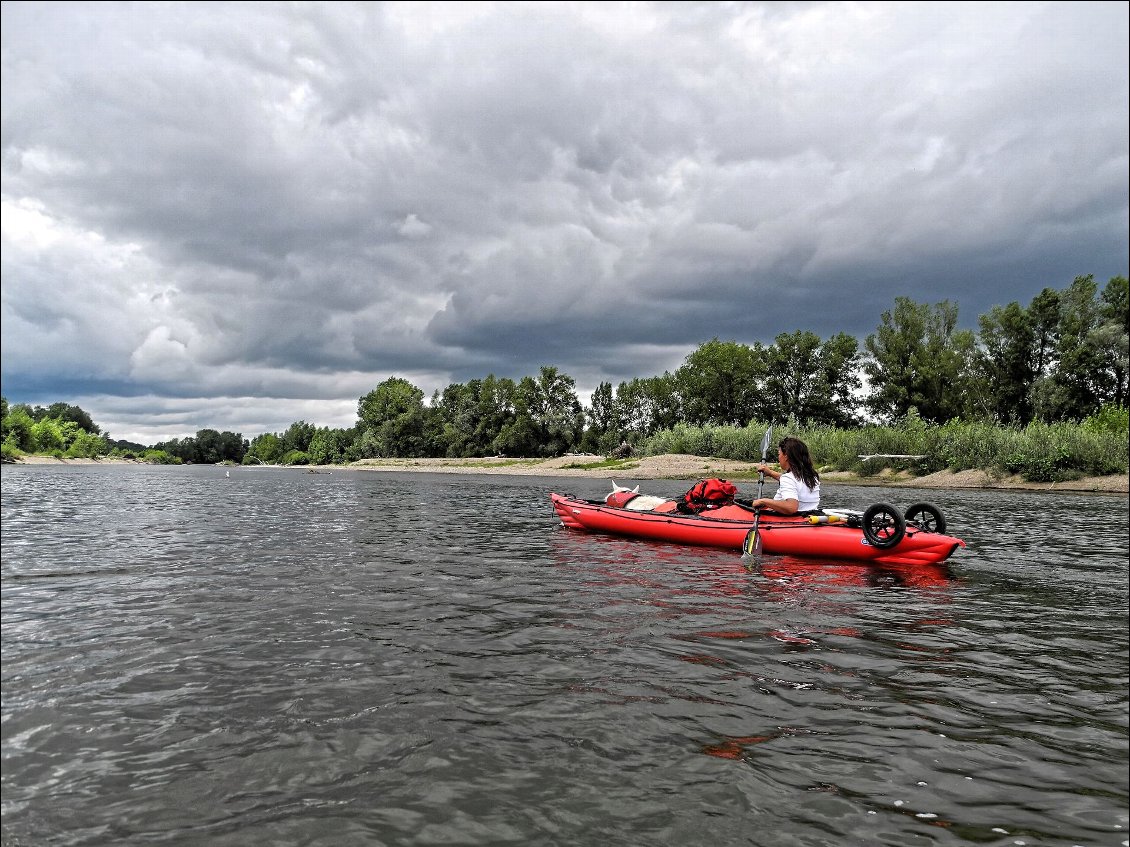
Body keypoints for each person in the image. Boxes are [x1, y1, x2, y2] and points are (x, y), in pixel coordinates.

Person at [750, 436, 820, 515]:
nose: (778, 458)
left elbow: (791, 507)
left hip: (790, 521)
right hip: (810, 517)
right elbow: (794, 482)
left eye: (779, 454)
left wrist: (763, 501)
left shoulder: (787, 479)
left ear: (786, 456)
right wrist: (770, 473)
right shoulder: (812, 477)